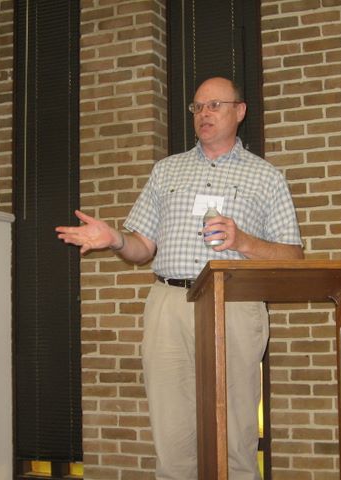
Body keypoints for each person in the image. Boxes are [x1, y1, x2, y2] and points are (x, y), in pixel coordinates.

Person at [56, 77, 303, 480]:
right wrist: (116, 240)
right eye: (198, 107)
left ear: (240, 111)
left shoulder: (267, 178)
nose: (204, 113)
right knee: (172, 441)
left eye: (215, 105)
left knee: (236, 436)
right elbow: (142, 247)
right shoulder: (166, 171)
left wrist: (242, 240)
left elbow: (293, 256)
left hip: (235, 304)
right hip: (168, 306)